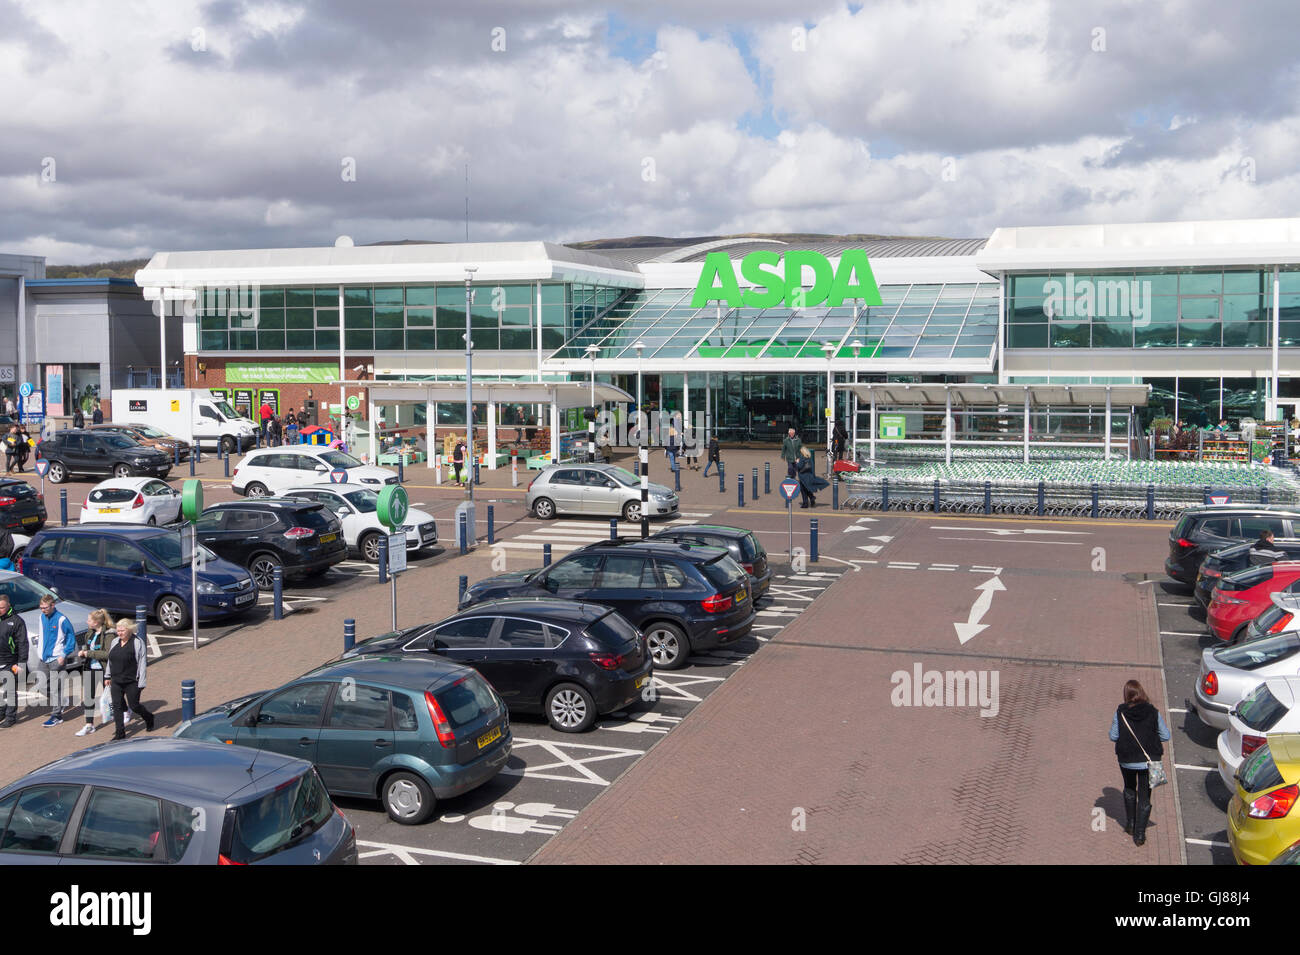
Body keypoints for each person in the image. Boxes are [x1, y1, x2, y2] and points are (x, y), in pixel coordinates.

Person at [1108, 679, 1170, 847]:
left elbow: (1113, 736)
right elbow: (1165, 736)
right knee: (1145, 795)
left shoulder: (1120, 712)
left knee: (1129, 788)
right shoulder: (1153, 712)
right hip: (1148, 762)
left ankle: (1130, 824)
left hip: (1126, 759)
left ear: (1126, 695)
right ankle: (1140, 835)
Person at [103, 617, 154, 740]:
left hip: (131, 681)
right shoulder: (115, 641)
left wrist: (141, 682)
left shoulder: (137, 642)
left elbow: (142, 663)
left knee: (135, 706)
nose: (119, 633)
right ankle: (120, 733)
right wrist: (107, 676)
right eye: (118, 630)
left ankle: (149, 717)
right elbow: (111, 660)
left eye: (122, 631)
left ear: (130, 630)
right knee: (117, 706)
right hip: (116, 681)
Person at [33, 593, 77, 727]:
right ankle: (60, 701)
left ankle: (57, 716)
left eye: (45, 607)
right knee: (40, 685)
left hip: (56, 659)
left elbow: (71, 638)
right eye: (41, 607)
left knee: (55, 688)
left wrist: (63, 655)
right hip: (44, 659)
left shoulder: (61, 619)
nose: (43, 610)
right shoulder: (41, 617)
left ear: (53, 605)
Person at [75, 609, 116, 736]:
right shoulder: (90, 633)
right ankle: (89, 725)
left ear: (97, 622)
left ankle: (123, 712)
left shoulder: (109, 634)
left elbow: (108, 654)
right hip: (90, 668)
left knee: (112, 696)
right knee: (88, 697)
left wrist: (89, 653)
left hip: (104, 670)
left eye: (89, 620)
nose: (87, 622)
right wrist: (83, 652)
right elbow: (87, 647)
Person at [0, 594, 26, 728]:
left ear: (8, 606)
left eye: (2, 608)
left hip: (10, 662)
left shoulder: (16, 621)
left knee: (10, 690)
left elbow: (22, 643)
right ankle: (1, 711)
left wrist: (21, 663)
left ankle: (11, 717)